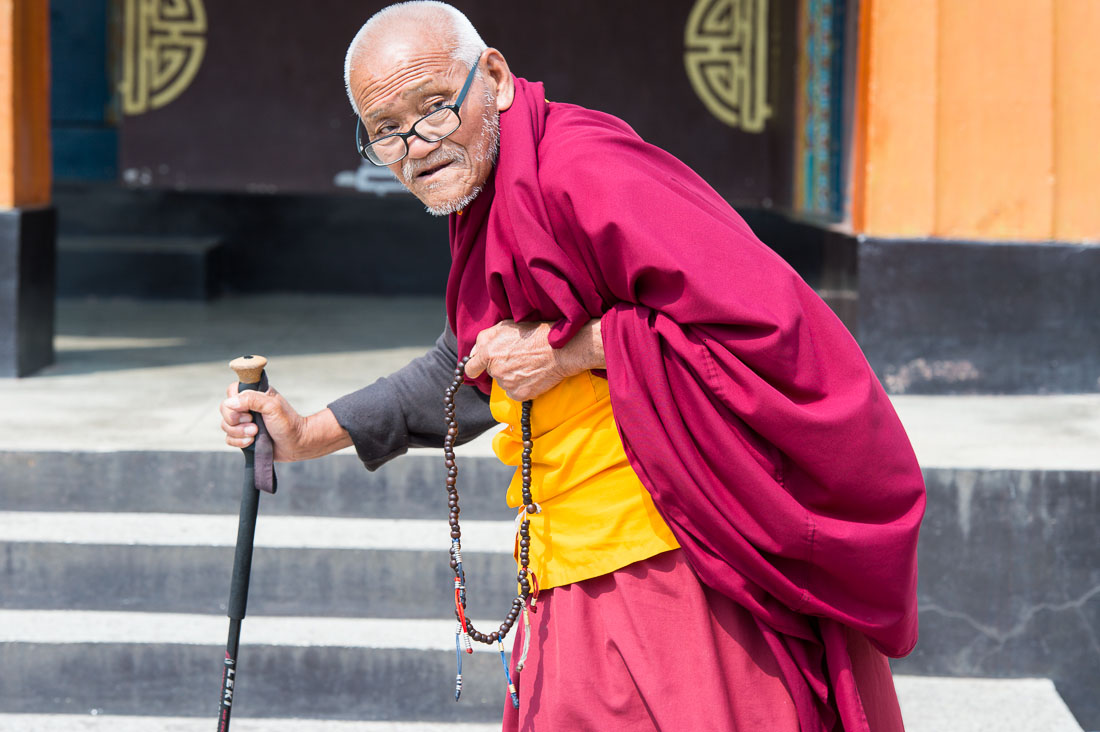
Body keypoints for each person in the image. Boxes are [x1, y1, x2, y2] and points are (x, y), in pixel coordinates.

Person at [220, 3, 926, 730]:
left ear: (492, 76)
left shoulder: (582, 170)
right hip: (573, 561)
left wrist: (574, 350)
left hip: (670, 564)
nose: (418, 144)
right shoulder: (495, 192)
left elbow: (764, 327)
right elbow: (473, 363)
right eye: (386, 131)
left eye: (435, 108)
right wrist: (307, 432)